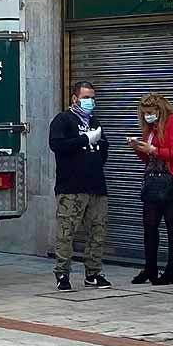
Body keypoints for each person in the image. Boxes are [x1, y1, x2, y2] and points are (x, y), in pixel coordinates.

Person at [50, 81, 111, 291]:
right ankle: (62, 274)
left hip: (96, 186)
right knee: (66, 232)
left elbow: (104, 149)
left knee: (98, 231)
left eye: (92, 97)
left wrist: (99, 144)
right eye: (86, 97)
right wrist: (83, 139)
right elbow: (56, 145)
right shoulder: (63, 120)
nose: (90, 102)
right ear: (75, 98)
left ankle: (93, 273)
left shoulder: (95, 121)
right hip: (71, 187)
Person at [128, 93, 173, 285]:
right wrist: (138, 147)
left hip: (172, 181)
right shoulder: (151, 128)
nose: (147, 116)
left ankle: (172, 270)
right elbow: (148, 159)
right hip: (153, 180)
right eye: (144, 113)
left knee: (172, 224)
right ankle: (150, 268)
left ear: (159, 110)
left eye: (150, 112)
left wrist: (153, 150)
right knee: (149, 225)